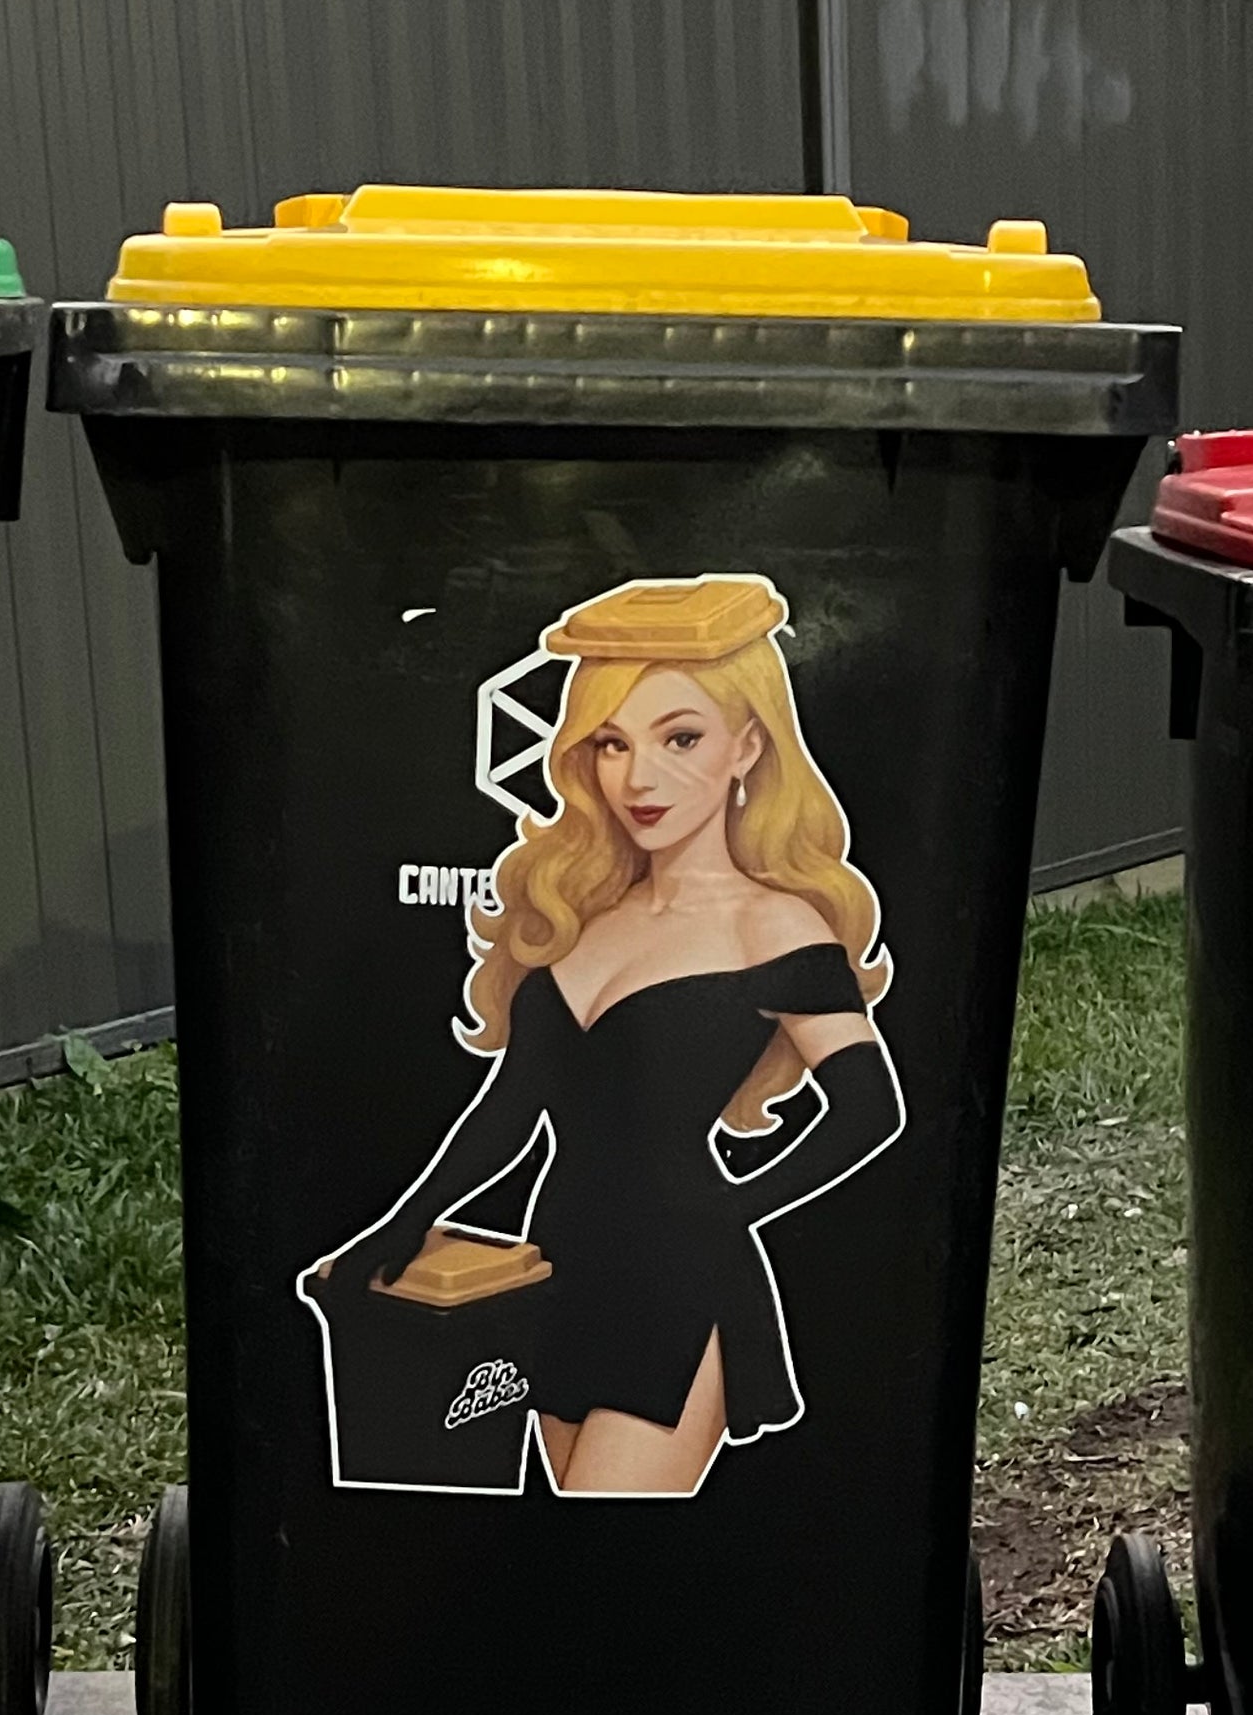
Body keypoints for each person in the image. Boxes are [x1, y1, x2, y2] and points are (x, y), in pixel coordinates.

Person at [311, 576, 902, 1497]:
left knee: (611, 1520)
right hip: (556, 1264)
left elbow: (869, 1106)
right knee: (578, 1544)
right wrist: (405, 1224)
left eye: (681, 738)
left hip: (683, 1276)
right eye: (612, 743)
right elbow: (510, 1111)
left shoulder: (778, 926)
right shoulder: (581, 914)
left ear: (749, 744)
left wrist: (734, 1208)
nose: (640, 778)